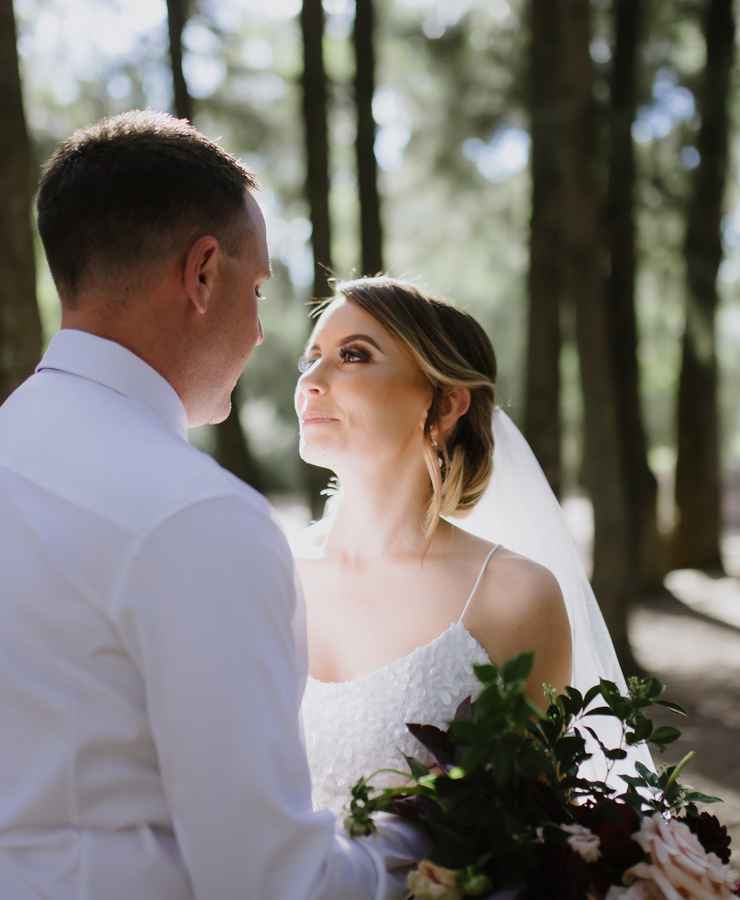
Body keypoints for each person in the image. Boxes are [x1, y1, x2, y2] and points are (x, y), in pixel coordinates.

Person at [0, 112, 423, 900]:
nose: (263, 332)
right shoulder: (197, 518)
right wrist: (417, 848)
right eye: (257, 286)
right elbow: (273, 883)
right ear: (202, 274)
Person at [294, 277, 653, 815]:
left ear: (443, 405)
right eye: (310, 357)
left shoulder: (514, 595)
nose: (311, 382)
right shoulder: (270, 567)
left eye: (354, 356)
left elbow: (529, 829)